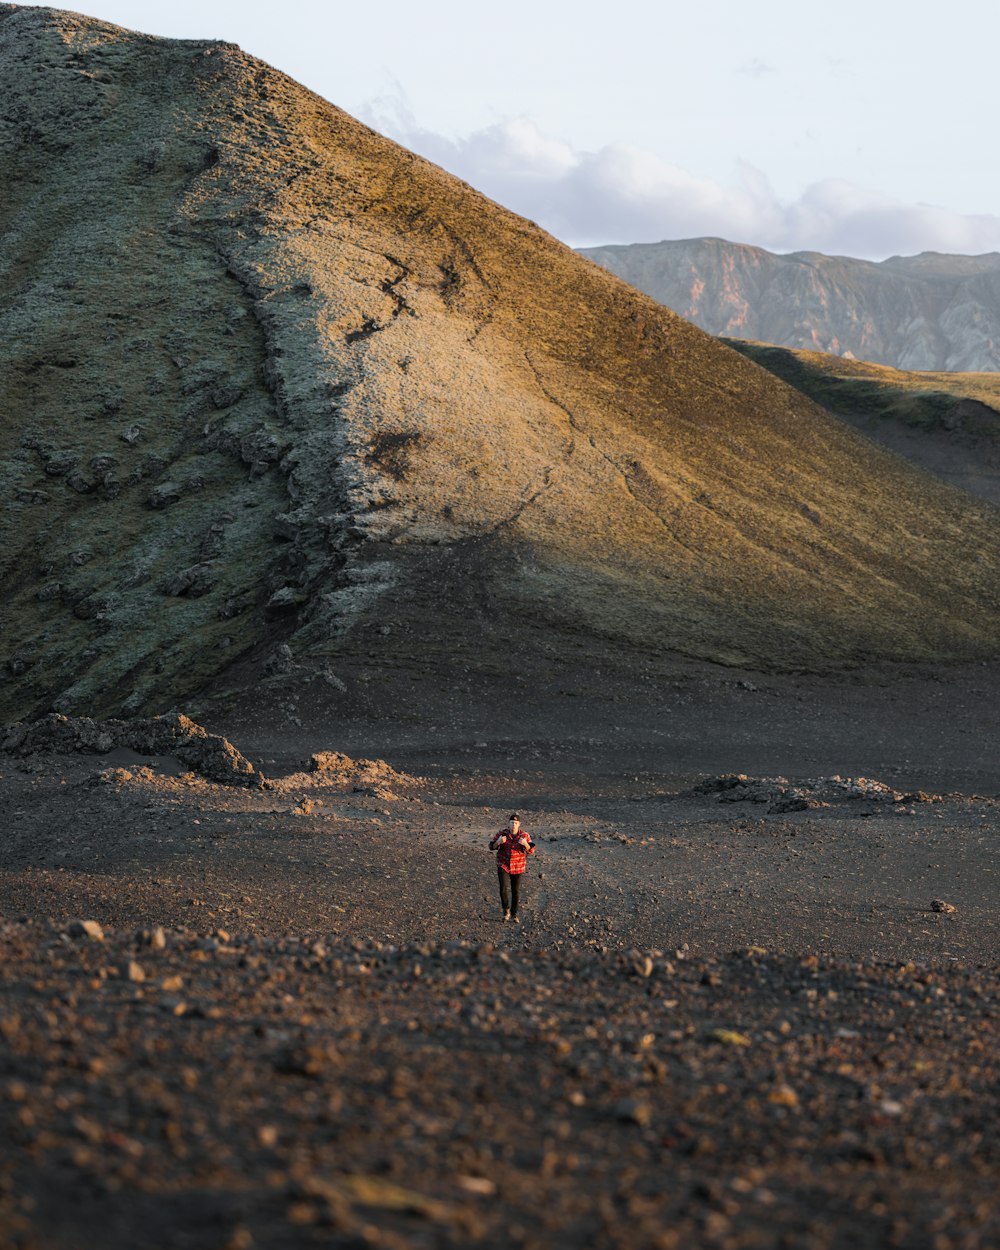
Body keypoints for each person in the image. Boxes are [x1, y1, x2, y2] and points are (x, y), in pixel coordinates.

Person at [489, 813, 535, 923]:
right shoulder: (502, 834)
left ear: (519, 824)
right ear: (508, 824)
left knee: (515, 891)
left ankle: (514, 913)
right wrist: (498, 842)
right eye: (511, 823)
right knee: (503, 888)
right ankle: (506, 911)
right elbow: (491, 846)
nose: (513, 825)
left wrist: (525, 844)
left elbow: (531, 851)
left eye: (515, 823)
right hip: (503, 864)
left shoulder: (524, 835)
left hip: (518, 866)